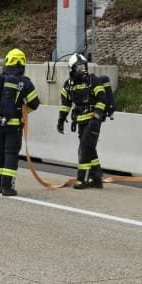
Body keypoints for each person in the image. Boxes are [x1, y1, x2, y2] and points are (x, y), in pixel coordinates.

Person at [0, 48, 40, 196]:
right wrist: (22, 111)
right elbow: (35, 103)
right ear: (22, 65)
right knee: (11, 154)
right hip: (14, 126)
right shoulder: (25, 83)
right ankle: (7, 187)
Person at [56, 53, 108, 189]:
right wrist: (61, 119)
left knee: (84, 149)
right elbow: (65, 103)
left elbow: (102, 98)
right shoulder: (69, 85)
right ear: (72, 69)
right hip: (80, 121)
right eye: (79, 67)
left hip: (93, 121)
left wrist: (96, 115)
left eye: (84, 66)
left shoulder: (93, 80)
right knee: (90, 149)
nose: (83, 70)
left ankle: (82, 179)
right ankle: (97, 179)